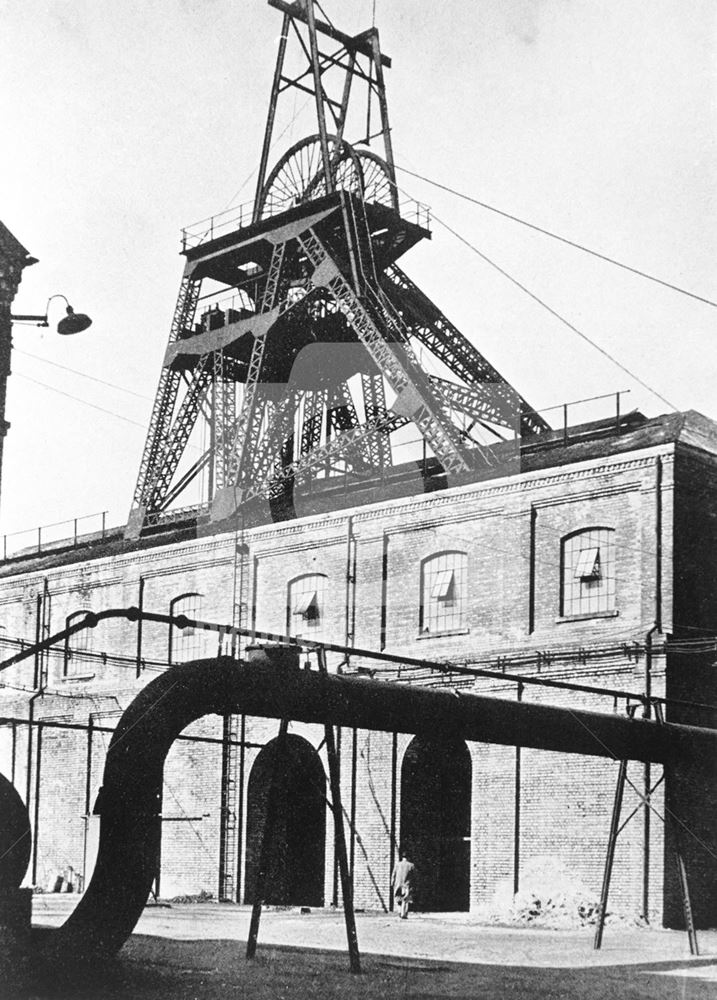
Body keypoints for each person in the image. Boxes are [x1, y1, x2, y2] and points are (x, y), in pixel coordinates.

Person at [391, 848, 415, 919]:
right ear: (408, 857)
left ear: (402, 857)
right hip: (406, 884)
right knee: (405, 899)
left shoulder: (397, 864)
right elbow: (413, 876)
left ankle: (399, 912)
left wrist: (392, 882)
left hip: (398, 884)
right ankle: (403, 913)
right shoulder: (411, 865)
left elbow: (393, 874)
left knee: (398, 899)